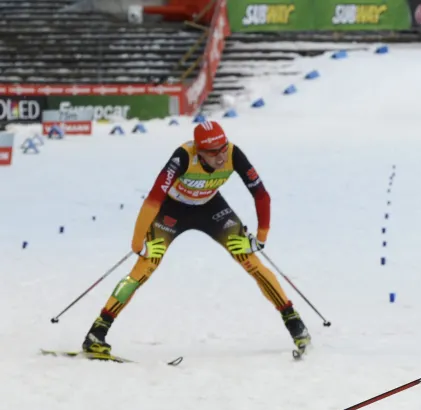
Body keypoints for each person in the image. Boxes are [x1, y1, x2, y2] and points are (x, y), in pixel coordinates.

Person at [81, 121, 311, 355]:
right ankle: (97, 332)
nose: (220, 157)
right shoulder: (182, 157)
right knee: (145, 267)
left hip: (211, 208)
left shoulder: (233, 152)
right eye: (212, 152)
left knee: (249, 259)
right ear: (199, 151)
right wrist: (137, 241)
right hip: (172, 211)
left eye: (222, 148)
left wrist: (261, 237)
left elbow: (261, 195)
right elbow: (153, 199)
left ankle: (295, 324)